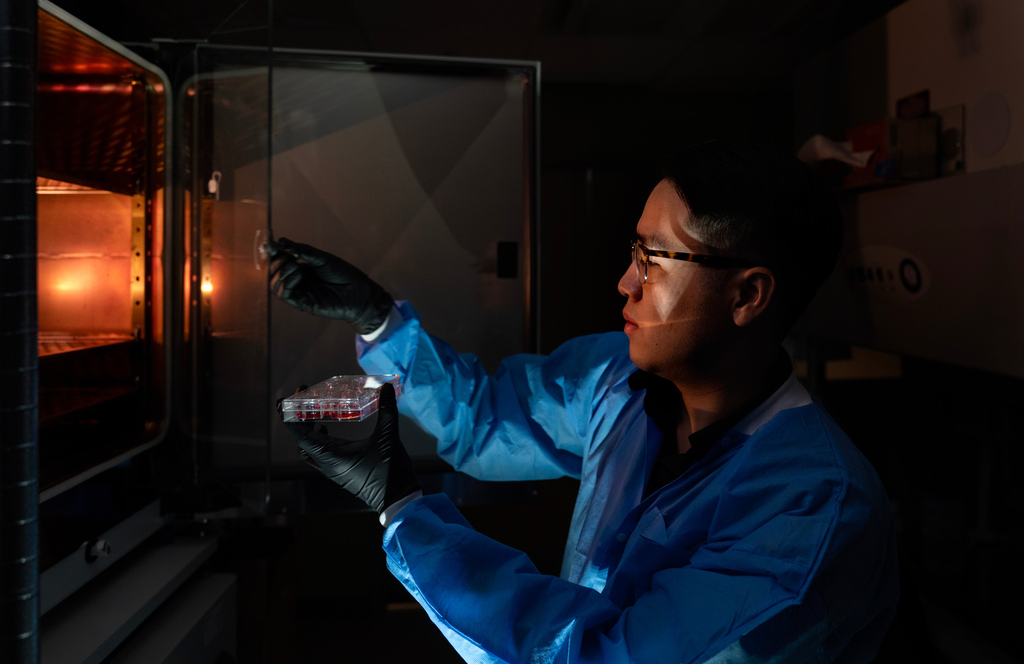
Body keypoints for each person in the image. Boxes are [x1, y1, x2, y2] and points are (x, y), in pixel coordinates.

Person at [268, 138, 899, 663]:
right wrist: (379, 320)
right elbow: (487, 419)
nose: (625, 283)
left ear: (746, 297)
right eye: (634, 251)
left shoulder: (812, 508)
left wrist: (401, 505)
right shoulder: (618, 381)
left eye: (653, 260)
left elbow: (604, 655)